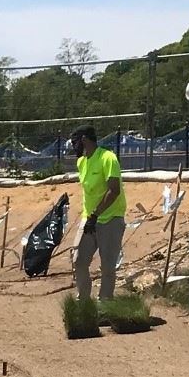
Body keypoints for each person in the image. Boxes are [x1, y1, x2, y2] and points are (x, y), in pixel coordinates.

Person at [70, 125, 125, 300]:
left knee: (107, 266)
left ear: (84, 140)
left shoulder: (108, 158)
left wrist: (96, 214)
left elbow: (114, 191)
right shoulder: (81, 162)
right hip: (89, 220)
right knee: (78, 260)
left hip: (110, 219)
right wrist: (90, 217)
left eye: (75, 142)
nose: (74, 146)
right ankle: (83, 302)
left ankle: (105, 304)